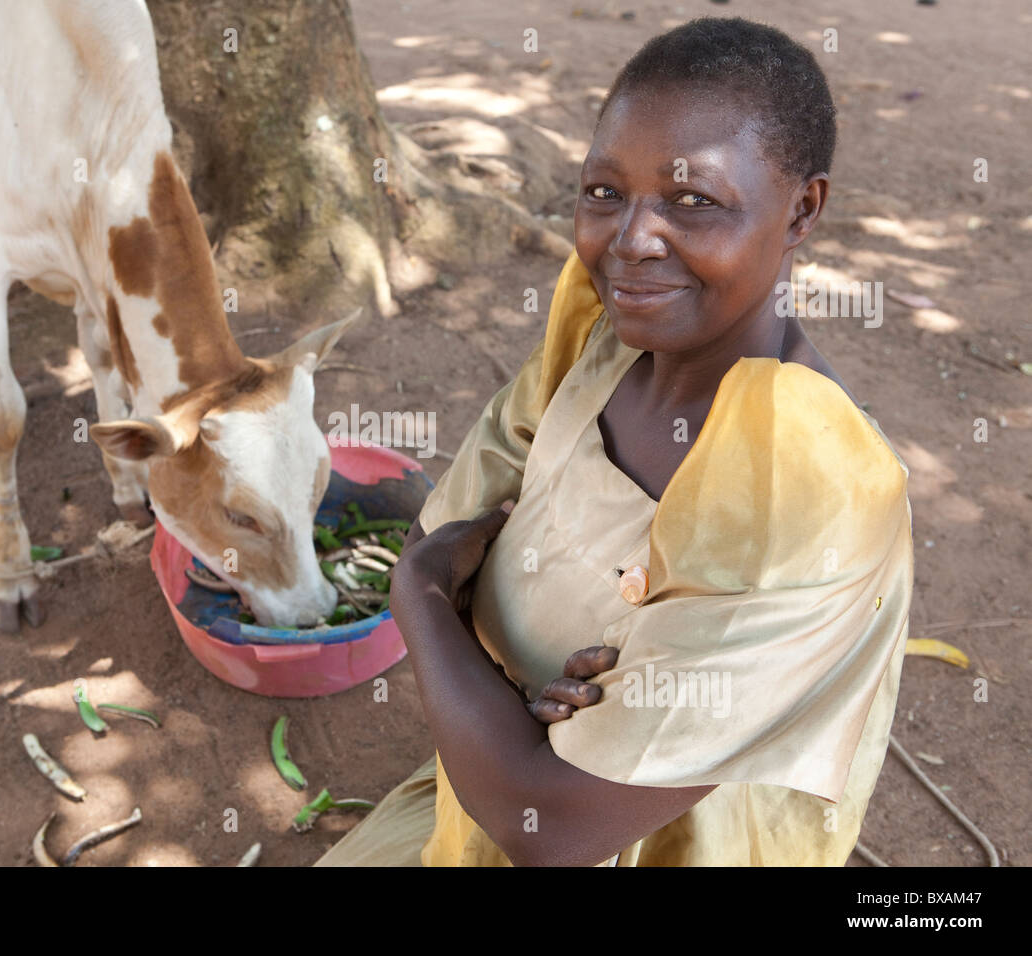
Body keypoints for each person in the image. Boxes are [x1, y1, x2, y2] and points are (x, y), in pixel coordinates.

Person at [313, 16, 913, 867]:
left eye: (693, 201)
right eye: (604, 192)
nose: (629, 241)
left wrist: (419, 601)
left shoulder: (818, 486)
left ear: (802, 209)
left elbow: (554, 825)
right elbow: (441, 530)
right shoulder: (597, 336)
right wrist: (520, 716)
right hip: (485, 796)